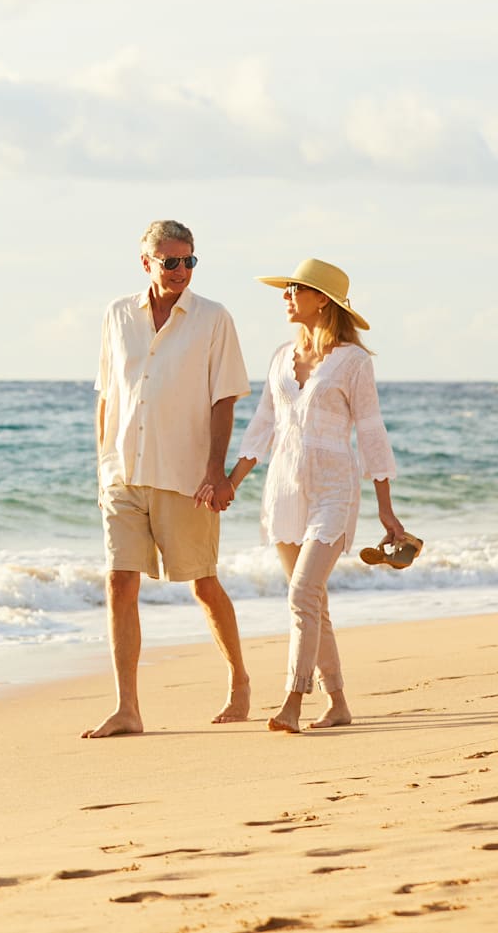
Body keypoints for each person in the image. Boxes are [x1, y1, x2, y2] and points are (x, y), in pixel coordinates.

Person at [211, 258, 409, 734]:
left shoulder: (355, 362)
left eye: (295, 289)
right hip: (283, 490)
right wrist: (231, 482)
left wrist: (386, 511)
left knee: (301, 593)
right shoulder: (281, 357)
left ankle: (292, 701)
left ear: (322, 299)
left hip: (334, 490)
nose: (286, 296)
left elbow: (371, 432)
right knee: (313, 601)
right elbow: (263, 424)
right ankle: (338, 702)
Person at [82, 219, 253, 739]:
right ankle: (127, 708)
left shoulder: (213, 319)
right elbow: (107, 395)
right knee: (119, 583)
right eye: (171, 262)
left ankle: (240, 681)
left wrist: (216, 471)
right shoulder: (117, 315)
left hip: (186, 477)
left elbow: (224, 397)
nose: (181, 271)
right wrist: (102, 466)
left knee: (202, 584)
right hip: (122, 473)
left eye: (189, 261)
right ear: (147, 263)